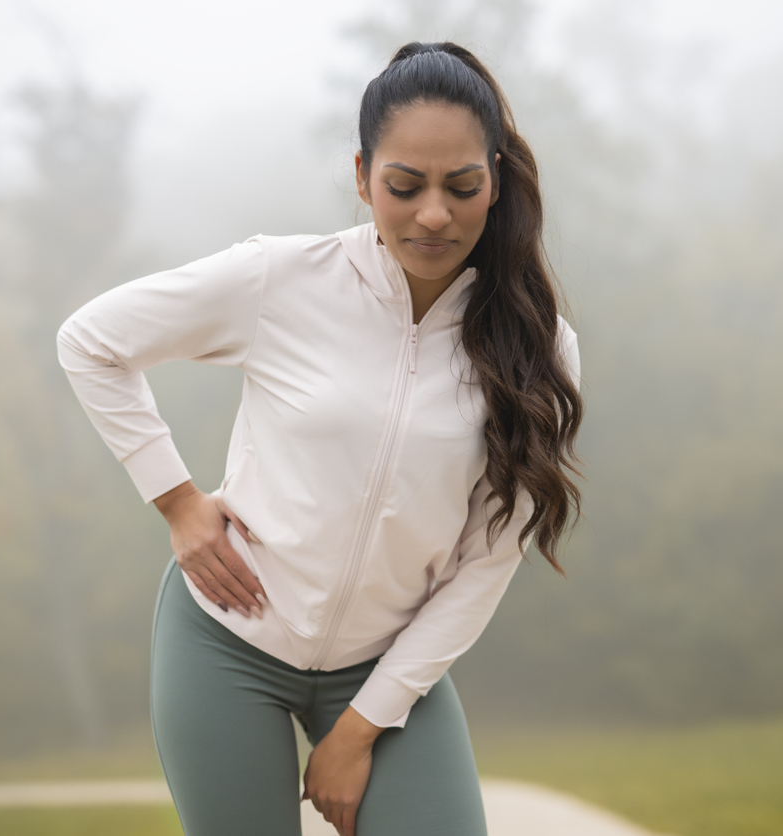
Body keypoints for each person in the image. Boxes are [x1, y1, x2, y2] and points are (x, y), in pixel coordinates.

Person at [56, 41, 583, 836]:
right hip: (226, 645)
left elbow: (484, 564)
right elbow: (90, 342)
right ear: (365, 173)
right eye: (404, 186)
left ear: (496, 180)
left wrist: (361, 729)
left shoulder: (537, 347)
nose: (433, 214)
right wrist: (177, 501)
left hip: (388, 666)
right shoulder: (282, 279)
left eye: (462, 186)